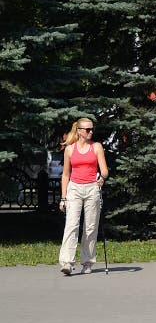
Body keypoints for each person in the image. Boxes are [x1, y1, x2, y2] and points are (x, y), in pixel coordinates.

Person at [58, 117, 109, 275]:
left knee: (90, 227)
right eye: (87, 129)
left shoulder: (96, 147)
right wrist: (63, 198)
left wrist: (102, 177)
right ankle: (67, 262)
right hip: (74, 188)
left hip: (92, 188)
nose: (91, 132)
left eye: (92, 129)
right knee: (71, 225)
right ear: (79, 131)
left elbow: (104, 170)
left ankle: (87, 262)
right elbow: (65, 175)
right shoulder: (69, 149)